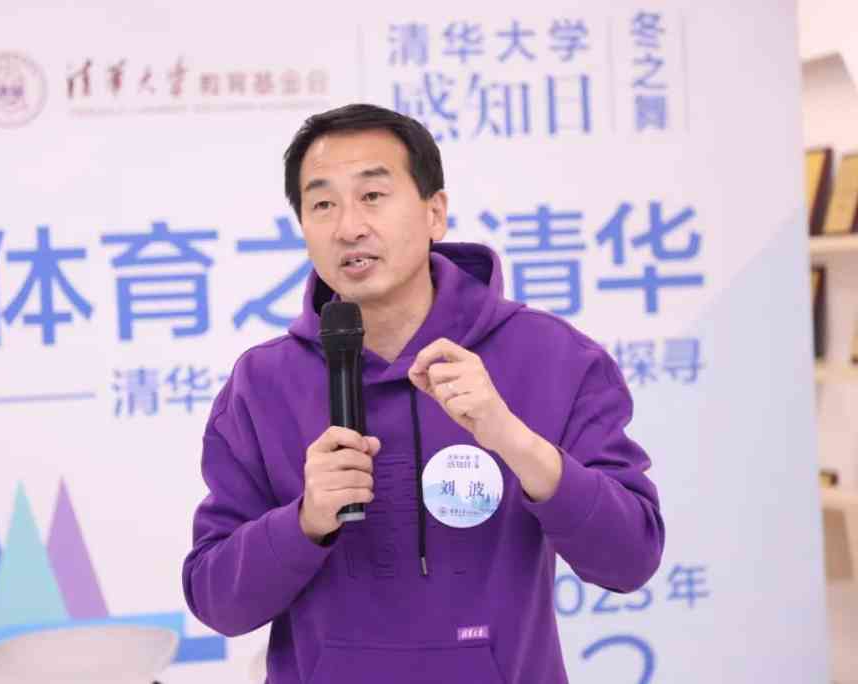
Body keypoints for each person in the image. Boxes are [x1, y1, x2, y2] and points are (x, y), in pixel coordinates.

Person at [182, 103, 664, 683]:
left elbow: (630, 559)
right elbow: (217, 602)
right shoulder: (263, 384)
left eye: (373, 196)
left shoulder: (555, 357)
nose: (349, 227)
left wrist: (514, 441)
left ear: (435, 213)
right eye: (322, 204)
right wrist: (304, 521)